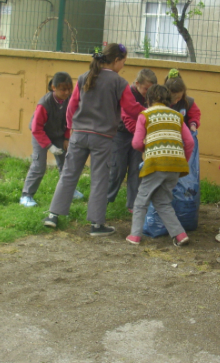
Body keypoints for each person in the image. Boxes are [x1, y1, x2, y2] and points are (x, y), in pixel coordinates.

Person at [43, 43, 145, 236]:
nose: (124, 65)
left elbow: (72, 106)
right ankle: (97, 225)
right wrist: (148, 112)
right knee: (99, 179)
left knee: (68, 174)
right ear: (116, 60)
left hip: (79, 134)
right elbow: (131, 108)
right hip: (103, 138)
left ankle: (52, 216)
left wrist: (71, 128)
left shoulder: (84, 77)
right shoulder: (119, 82)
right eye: (124, 61)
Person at [126, 84, 195, 247]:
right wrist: (182, 160)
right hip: (175, 166)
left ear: (148, 100)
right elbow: (190, 141)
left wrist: (147, 147)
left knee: (141, 199)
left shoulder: (145, 115)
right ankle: (180, 234)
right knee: (162, 201)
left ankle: (135, 235)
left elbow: (136, 143)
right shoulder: (177, 116)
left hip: (156, 164)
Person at [20, 72, 83, 207]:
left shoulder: (69, 100)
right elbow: (37, 129)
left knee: (66, 163)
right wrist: (49, 146)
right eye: (63, 89)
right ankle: (26, 196)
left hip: (59, 135)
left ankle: (68, 191)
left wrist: (66, 138)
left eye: (69, 89)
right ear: (54, 88)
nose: (66, 92)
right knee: (39, 166)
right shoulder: (44, 104)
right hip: (41, 135)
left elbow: (69, 120)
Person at [107, 68, 158, 213]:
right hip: (121, 135)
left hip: (139, 136)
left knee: (137, 169)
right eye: (146, 89)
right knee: (118, 168)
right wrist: (141, 134)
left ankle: (133, 204)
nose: (148, 93)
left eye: (151, 90)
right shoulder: (128, 93)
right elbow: (127, 118)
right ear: (137, 83)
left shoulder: (149, 97)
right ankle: (106, 198)